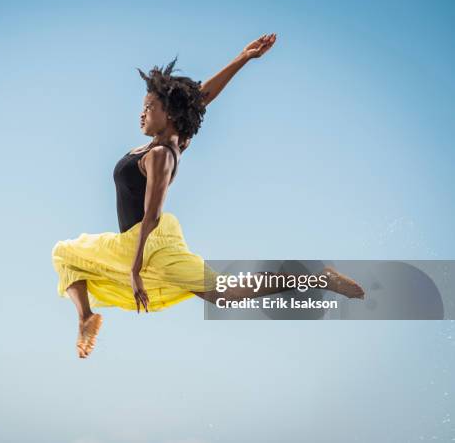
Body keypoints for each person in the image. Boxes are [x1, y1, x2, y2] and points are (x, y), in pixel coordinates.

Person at [52, 34, 365, 358]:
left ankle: (317, 279)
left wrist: (135, 269)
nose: (142, 114)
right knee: (65, 255)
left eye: (149, 108)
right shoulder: (170, 139)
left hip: (148, 245)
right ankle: (86, 317)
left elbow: (153, 213)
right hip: (136, 243)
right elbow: (199, 99)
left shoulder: (162, 154)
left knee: (225, 294)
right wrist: (243, 58)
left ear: (169, 114)